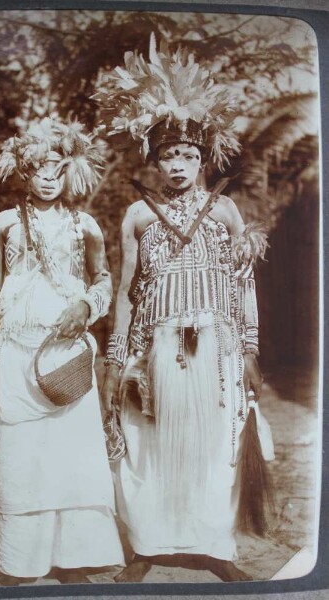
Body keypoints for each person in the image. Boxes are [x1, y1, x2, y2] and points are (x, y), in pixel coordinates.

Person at [95, 35, 270, 583]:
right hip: (155, 345)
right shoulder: (137, 216)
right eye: (168, 156)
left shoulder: (224, 210)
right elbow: (126, 291)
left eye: (188, 156)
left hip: (214, 346)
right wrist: (117, 358)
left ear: (202, 160)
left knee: (215, 444)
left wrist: (249, 349)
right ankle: (147, 546)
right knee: (146, 443)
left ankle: (215, 546)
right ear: (154, 161)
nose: (178, 166)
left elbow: (243, 283)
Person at [0, 115, 124, 585]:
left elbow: (103, 279)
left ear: (69, 171)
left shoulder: (86, 225)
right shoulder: (5, 223)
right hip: (16, 351)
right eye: (39, 170)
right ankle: (21, 562)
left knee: (71, 455)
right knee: (20, 453)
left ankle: (74, 559)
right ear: (24, 172)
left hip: (66, 355)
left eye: (56, 169)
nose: (49, 179)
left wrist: (85, 305)